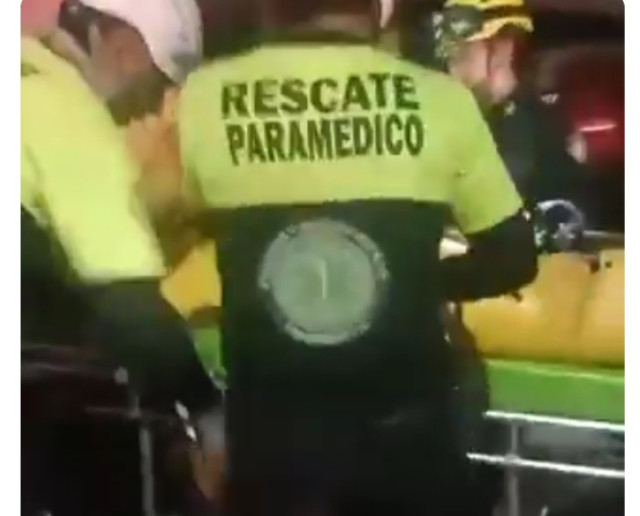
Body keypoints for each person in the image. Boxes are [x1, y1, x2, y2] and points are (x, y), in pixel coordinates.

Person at [162, 0, 539, 514]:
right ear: (378, 9)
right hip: (406, 443)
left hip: (273, 448)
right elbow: (513, 256)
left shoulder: (203, 98)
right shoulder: (441, 100)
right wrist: (411, 281)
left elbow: (151, 241)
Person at [21, 0, 217, 433]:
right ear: (126, 50)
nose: (153, 120)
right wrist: (208, 414)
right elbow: (129, 304)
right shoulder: (58, 104)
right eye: (152, 97)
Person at [432, 0, 587, 214]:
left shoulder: (538, 130)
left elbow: (567, 214)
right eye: (450, 55)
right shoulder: (441, 115)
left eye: (463, 54)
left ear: (503, 48)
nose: (453, 68)